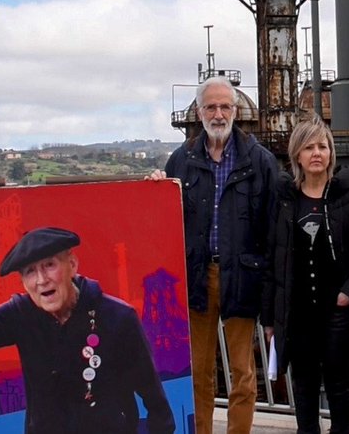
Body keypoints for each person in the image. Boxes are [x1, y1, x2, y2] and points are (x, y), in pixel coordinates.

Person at [0, 227, 175, 434]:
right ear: (23, 282)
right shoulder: (20, 313)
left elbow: (155, 401)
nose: (42, 280)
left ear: (72, 265)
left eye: (49, 265)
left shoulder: (118, 317)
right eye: (30, 271)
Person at [148, 75, 279, 434]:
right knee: (198, 371)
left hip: (243, 276)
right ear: (200, 112)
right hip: (197, 278)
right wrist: (156, 189)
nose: (218, 114)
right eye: (211, 107)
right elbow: (165, 220)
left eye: (224, 106)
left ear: (236, 111)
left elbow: (272, 229)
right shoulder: (181, 161)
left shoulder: (261, 162)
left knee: (242, 372)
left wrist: (269, 285)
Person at [262, 118, 349, 434]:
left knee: (338, 384)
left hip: (337, 311)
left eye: (323, 146)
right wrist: (269, 318)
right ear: (297, 155)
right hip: (298, 313)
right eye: (309, 147)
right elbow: (272, 260)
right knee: (303, 387)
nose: (317, 153)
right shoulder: (285, 199)